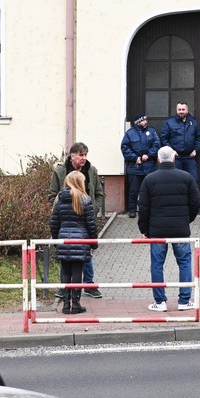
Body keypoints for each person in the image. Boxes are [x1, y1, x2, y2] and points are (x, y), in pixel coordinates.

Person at [136, 145, 198, 312]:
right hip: (180, 230)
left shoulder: (149, 179)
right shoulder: (186, 177)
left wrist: (144, 230)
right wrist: (187, 220)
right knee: (184, 263)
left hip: (157, 230)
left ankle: (160, 302)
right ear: (174, 158)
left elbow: (143, 207)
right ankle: (184, 300)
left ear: (158, 159)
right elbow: (196, 202)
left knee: (157, 265)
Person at [48, 143, 108, 299]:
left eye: (86, 155)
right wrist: (60, 211)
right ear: (72, 155)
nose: (84, 158)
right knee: (66, 255)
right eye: (81, 155)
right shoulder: (61, 171)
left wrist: (93, 209)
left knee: (86, 253)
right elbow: (52, 195)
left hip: (85, 218)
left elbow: (99, 193)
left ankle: (88, 284)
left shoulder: (91, 170)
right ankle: (65, 289)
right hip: (66, 219)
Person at [50, 168, 98, 315]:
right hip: (80, 240)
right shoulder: (85, 199)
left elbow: (54, 222)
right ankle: (76, 304)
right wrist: (93, 242)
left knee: (65, 270)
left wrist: (56, 240)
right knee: (77, 271)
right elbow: (91, 224)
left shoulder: (59, 199)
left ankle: (66, 304)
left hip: (63, 239)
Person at [158, 102, 200, 214]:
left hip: (190, 158)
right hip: (176, 158)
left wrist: (196, 149)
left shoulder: (193, 122)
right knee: (175, 182)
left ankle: (194, 207)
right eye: (179, 109)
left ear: (187, 110)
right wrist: (172, 151)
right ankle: (175, 207)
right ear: (176, 110)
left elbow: (199, 137)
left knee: (193, 181)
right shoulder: (169, 122)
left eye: (183, 109)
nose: (181, 111)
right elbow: (163, 138)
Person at [120, 113, 162, 214]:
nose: (145, 122)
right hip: (135, 167)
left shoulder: (151, 131)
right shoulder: (130, 133)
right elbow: (125, 148)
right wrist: (135, 158)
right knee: (133, 190)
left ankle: (151, 210)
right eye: (143, 120)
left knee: (151, 190)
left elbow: (157, 145)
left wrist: (149, 155)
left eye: (146, 120)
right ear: (137, 122)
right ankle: (132, 210)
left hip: (149, 166)